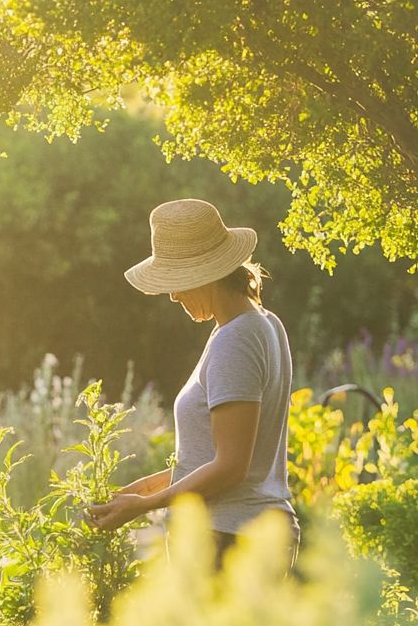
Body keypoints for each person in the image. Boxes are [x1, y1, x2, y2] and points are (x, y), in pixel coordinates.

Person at [86, 198, 300, 573]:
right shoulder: (262, 324)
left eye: (176, 281)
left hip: (228, 541)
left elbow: (232, 467)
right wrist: (140, 491)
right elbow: (211, 461)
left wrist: (146, 506)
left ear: (207, 273)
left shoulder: (236, 339)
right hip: (241, 535)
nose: (172, 295)